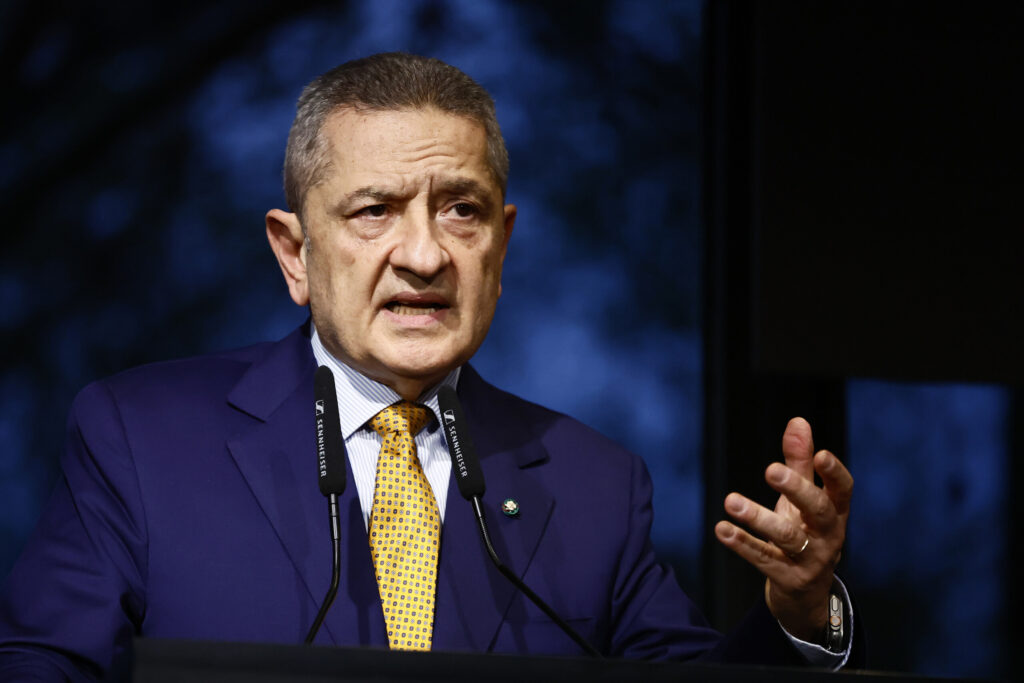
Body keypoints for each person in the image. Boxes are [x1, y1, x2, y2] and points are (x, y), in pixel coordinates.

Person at [0, 53, 857, 680]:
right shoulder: (141, 439)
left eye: (461, 211)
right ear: (295, 254)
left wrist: (797, 614)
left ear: (501, 246)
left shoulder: (594, 486)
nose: (424, 254)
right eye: (375, 210)